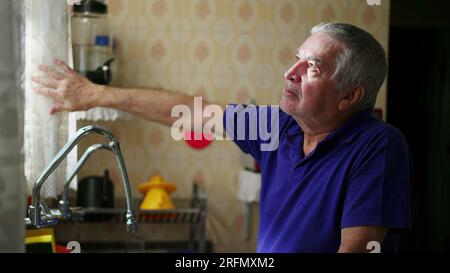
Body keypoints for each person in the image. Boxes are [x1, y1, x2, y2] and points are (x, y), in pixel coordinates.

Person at [32, 22, 411, 253]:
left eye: (311, 67)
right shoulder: (277, 127)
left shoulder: (377, 145)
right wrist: (94, 95)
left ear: (350, 96)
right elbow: (188, 112)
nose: (289, 72)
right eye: (296, 58)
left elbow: (357, 249)